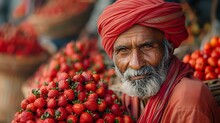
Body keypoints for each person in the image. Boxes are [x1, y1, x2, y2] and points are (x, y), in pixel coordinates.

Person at [97, 0, 220, 122]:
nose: (136, 64)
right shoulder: (130, 98)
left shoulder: (187, 106)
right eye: (123, 50)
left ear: (169, 48)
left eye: (146, 47)